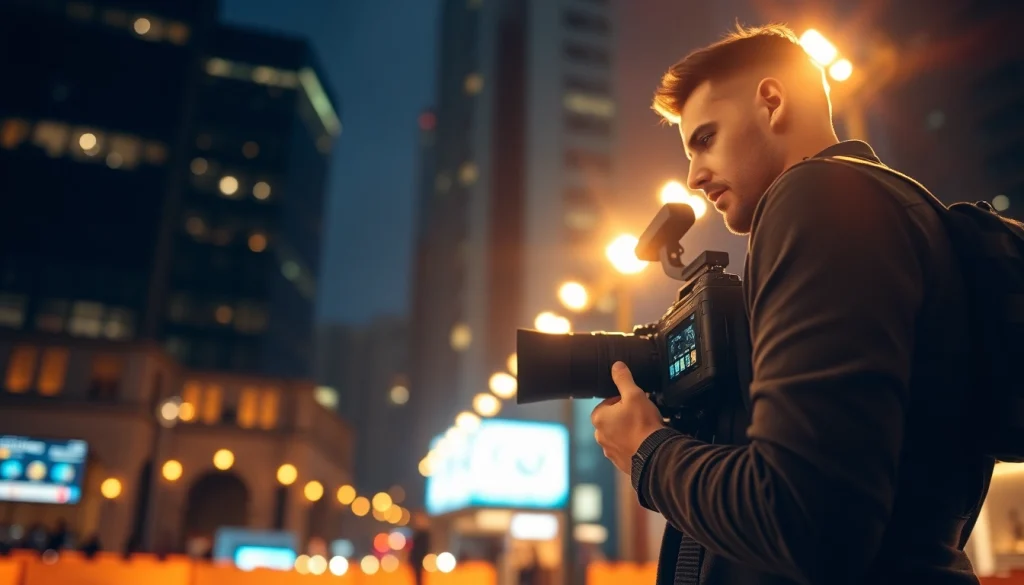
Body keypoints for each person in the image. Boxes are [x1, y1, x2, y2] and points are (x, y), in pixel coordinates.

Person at [590, 24, 994, 585]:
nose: (692, 176)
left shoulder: (817, 197)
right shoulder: (886, 205)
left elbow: (804, 518)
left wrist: (648, 451)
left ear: (772, 101)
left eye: (705, 139)